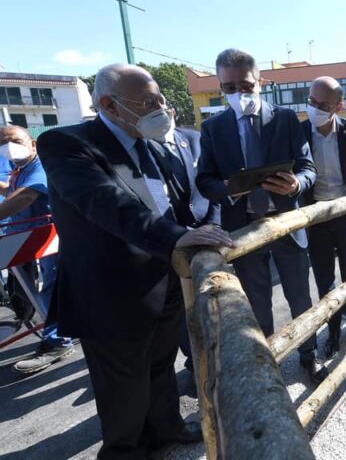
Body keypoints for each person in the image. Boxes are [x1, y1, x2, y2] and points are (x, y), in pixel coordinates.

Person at [37, 63, 234, 459]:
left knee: (160, 366)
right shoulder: (66, 144)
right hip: (110, 293)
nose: (161, 106)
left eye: (160, 98)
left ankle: (166, 429)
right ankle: (125, 451)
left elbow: (182, 202)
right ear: (108, 104)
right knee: (122, 384)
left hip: (164, 282)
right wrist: (178, 237)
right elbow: (110, 205)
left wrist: (204, 230)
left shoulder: (153, 146)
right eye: (148, 101)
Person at [195, 48, 327, 383]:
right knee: (256, 302)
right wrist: (225, 189)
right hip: (242, 229)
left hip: (285, 224)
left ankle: (308, 354)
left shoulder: (285, 119)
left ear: (261, 82)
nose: (239, 94)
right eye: (228, 88)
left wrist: (297, 183)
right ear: (219, 86)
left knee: (299, 296)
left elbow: (308, 167)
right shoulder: (212, 128)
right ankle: (266, 362)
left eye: (246, 85)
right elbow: (204, 180)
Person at [303, 76, 346, 358]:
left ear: (338, 107)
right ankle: (331, 329)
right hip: (315, 217)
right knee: (324, 278)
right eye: (312, 101)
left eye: (323, 104)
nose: (315, 108)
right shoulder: (299, 133)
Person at [0, 126, 74, 374]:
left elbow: (25, 197)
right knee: (39, 291)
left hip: (49, 238)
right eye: (3, 143)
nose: (9, 146)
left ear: (32, 143)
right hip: (30, 239)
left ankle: (57, 341)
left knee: (52, 289)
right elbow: (13, 192)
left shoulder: (40, 166)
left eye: (15, 140)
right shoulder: (20, 170)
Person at [153, 107, 221, 374]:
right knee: (181, 310)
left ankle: (214, 359)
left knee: (213, 300)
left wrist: (213, 225)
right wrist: (179, 235)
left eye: (159, 104)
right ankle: (197, 366)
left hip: (207, 234)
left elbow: (211, 185)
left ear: (171, 110)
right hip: (170, 241)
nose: (155, 112)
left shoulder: (194, 139)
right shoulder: (140, 148)